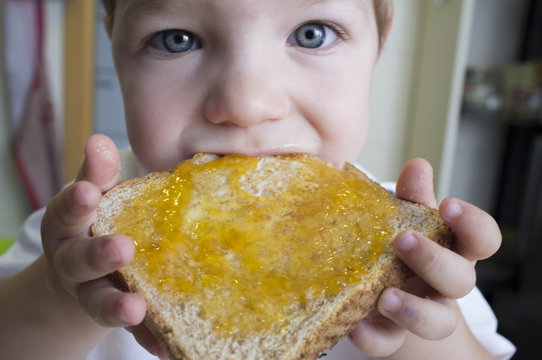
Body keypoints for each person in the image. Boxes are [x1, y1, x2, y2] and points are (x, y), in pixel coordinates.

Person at [0, 0, 516, 359]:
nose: (246, 104)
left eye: (312, 33)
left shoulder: (411, 255)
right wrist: (60, 292)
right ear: (115, 45)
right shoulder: (76, 238)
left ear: (378, 45)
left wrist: (418, 331)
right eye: (177, 40)